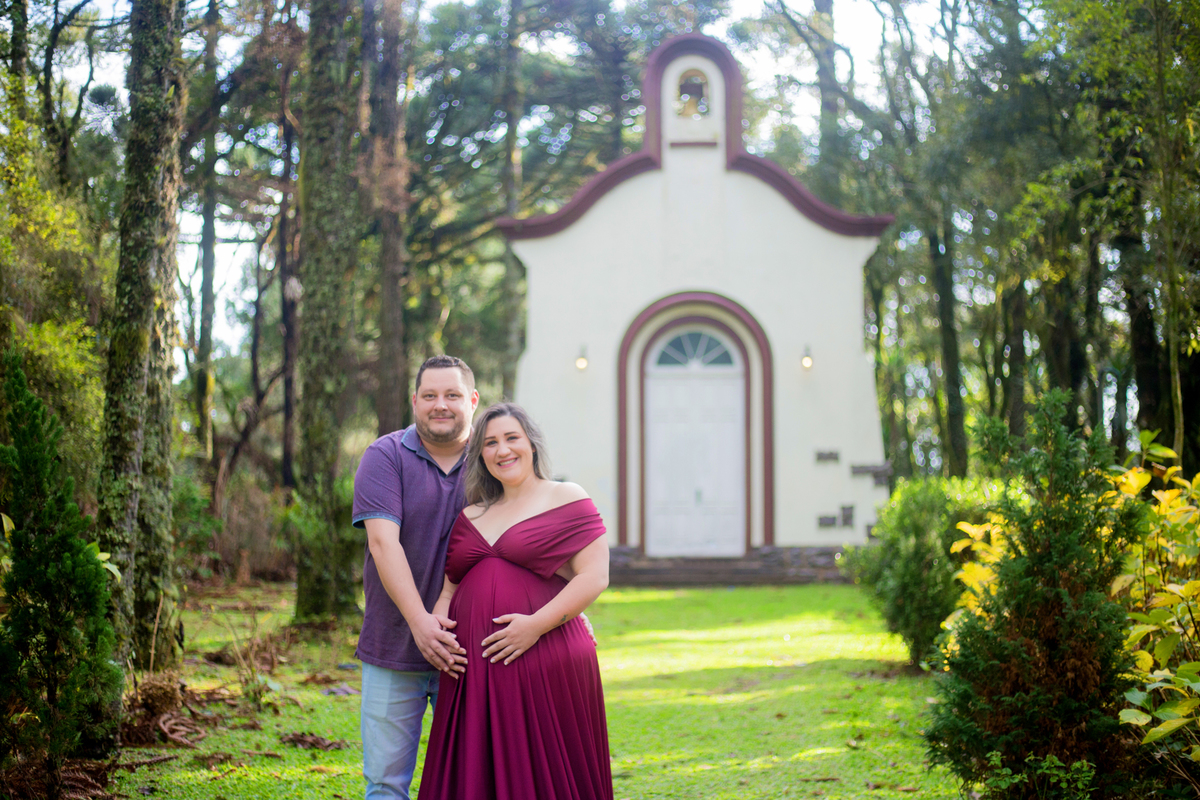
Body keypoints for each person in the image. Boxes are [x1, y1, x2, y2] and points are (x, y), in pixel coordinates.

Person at [417, 403, 613, 800]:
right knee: (478, 775)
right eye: (490, 443)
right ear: (481, 456)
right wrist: (438, 619)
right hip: (472, 671)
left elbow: (595, 576)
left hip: (542, 656)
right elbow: (451, 586)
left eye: (511, 438)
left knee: (544, 777)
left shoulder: (565, 495)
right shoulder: (472, 514)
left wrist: (534, 626)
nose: (502, 450)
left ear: (532, 445)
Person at [353, 355, 479, 800]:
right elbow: (384, 544)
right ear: (414, 401)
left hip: (471, 653)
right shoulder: (384, 455)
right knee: (386, 785)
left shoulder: (493, 460)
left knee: (473, 783)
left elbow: (526, 542)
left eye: (451, 395)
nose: (439, 405)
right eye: (429, 395)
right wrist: (420, 623)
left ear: (473, 401)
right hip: (392, 647)